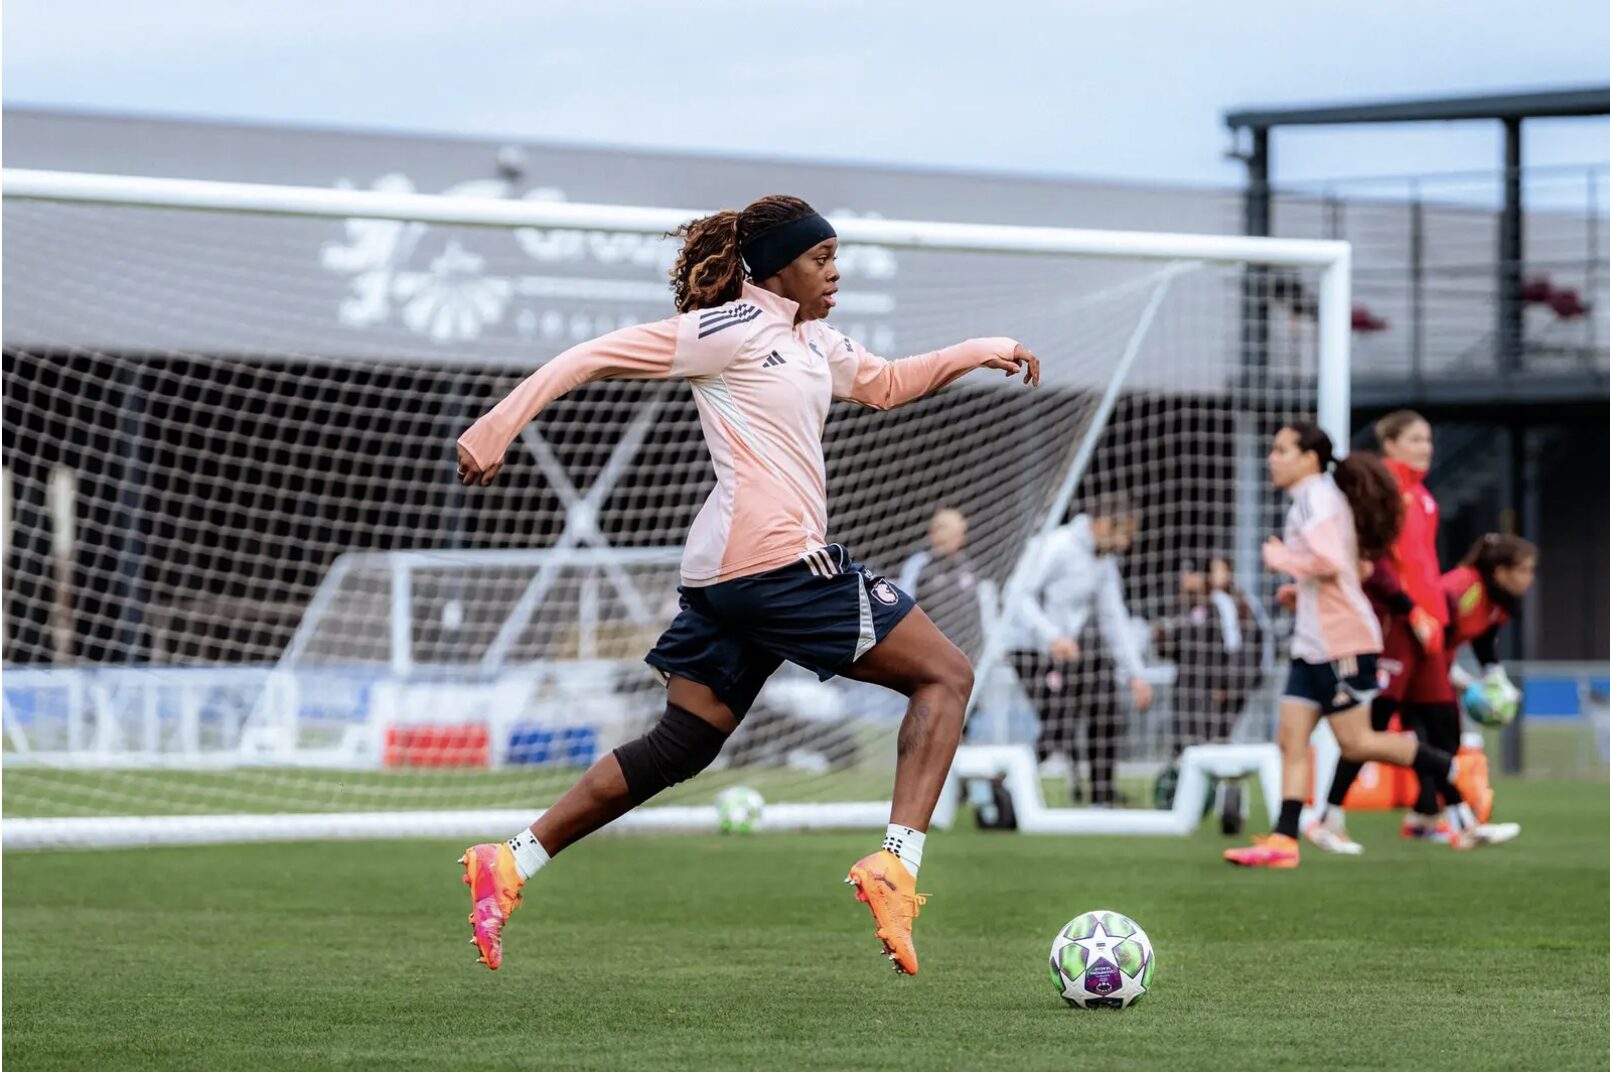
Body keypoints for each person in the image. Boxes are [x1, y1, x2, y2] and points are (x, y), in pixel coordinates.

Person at [452, 195, 1040, 976]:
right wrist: (495, 427)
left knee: (682, 743)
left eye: (837, 259)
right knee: (946, 674)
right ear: (776, 267)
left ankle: (513, 861)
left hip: (728, 579)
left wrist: (978, 348)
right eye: (821, 260)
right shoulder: (725, 330)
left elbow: (889, 383)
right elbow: (590, 355)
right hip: (774, 567)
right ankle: (896, 865)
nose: (836, 274)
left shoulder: (813, 342)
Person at [1224, 421, 1476, 869]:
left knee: (1357, 743)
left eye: (1282, 450)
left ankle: (1448, 768)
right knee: (1290, 738)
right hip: (1311, 643)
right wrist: (1297, 589)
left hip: (1342, 641)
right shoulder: (1310, 498)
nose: (1272, 458)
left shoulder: (1317, 499)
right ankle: (1284, 841)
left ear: (1309, 458)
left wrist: (1281, 559)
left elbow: (1329, 560)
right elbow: (1343, 570)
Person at [1306, 410, 1451, 853]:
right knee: (1370, 726)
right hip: (1396, 624)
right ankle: (1327, 816)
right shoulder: (1383, 489)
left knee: (1444, 724)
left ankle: (1427, 814)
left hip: (1429, 624)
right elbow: (1377, 561)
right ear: (1389, 444)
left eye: (1428, 439)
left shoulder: (1422, 495)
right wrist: (1410, 611)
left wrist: (1435, 613)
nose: (1425, 447)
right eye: (1415, 439)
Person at [1008, 494, 1154, 807]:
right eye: (1124, 534)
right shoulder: (1057, 545)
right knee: (1057, 730)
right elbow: (1018, 595)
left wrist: (1136, 675)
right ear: (1103, 525)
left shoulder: (1103, 563)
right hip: (1029, 648)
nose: (1127, 544)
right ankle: (1005, 789)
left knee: (1107, 705)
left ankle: (1102, 795)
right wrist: (1051, 636)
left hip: (1067, 653)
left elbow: (1114, 619)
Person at [897, 507, 985, 660]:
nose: (957, 537)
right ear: (934, 532)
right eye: (950, 531)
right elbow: (902, 607)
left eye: (959, 532)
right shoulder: (919, 565)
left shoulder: (967, 566)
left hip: (968, 653)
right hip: (929, 653)